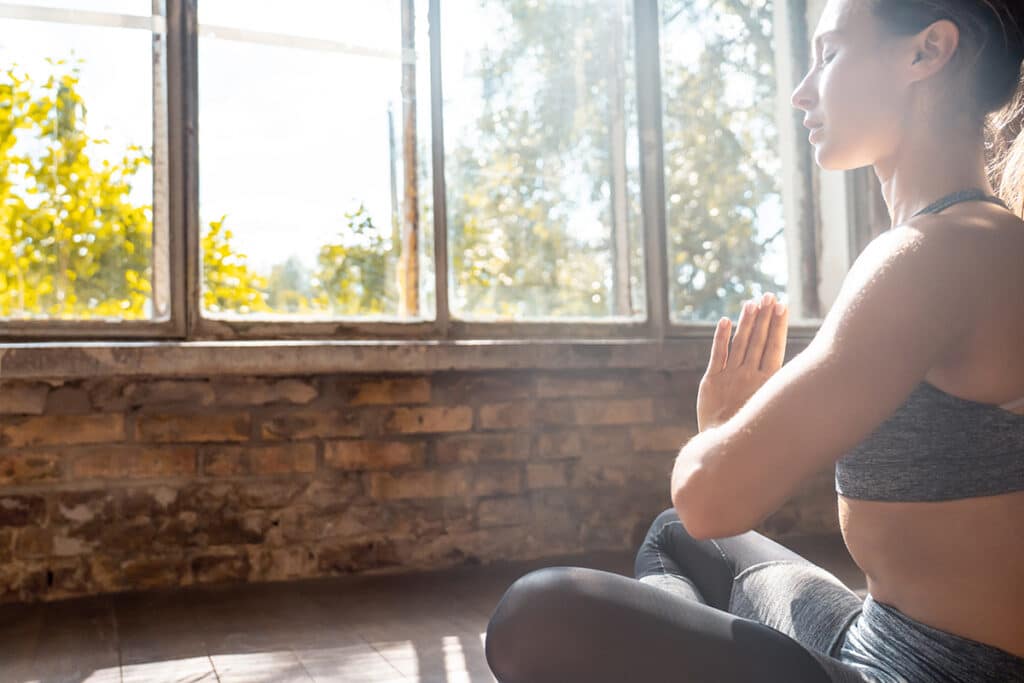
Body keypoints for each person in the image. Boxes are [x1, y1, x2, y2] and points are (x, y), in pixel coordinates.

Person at [483, 0, 1024, 681]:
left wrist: (722, 426)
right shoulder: (973, 241)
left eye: (828, 55)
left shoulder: (934, 255)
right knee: (674, 540)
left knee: (539, 615)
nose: (803, 90)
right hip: (876, 628)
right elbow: (700, 517)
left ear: (926, 52)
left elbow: (710, 494)